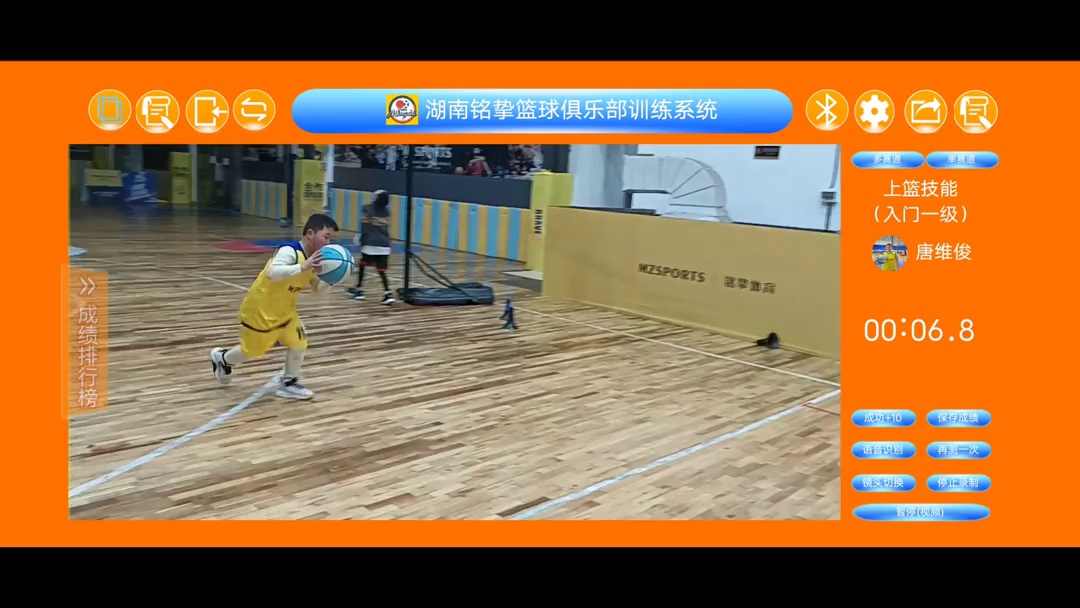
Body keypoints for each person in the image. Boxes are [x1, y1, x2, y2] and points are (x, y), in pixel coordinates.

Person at [208, 213, 340, 400]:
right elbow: (273, 272)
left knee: (299, 343)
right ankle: (223, 358)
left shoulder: (313, 260)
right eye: (326, 237)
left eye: (330, 238)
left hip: (286, 312)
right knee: (252, 351)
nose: (328, 242)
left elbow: (317, 288)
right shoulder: (290, 251)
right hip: (260, 311)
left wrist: (333, 279)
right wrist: (303, 266)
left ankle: (289, 382)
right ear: (310, 234)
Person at [347, 189, 396, 305]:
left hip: (370, 243)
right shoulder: (387, 211)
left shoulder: (366, 208)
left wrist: (360, 239)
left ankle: (359, 290)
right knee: (382, 270)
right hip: (385, 245)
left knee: (362, 265)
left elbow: (365, 226)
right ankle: (388, 293)